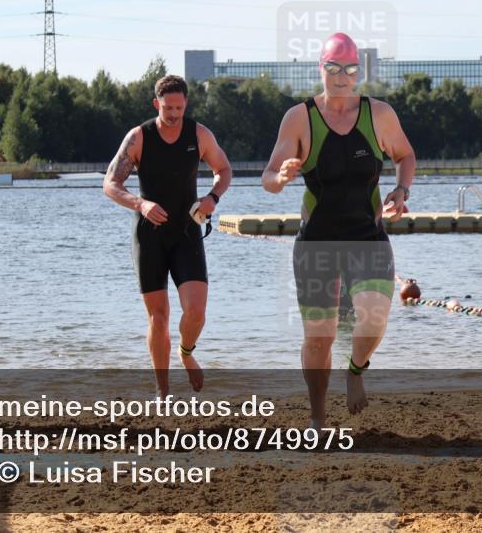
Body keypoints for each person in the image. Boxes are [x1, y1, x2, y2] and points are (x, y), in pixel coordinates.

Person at [262, 32, 416, 428]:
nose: (341, 76)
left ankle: (356, 371)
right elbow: (268, 177)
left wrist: (400, 189)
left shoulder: (378, 114)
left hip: (368, 235)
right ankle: (317, 418)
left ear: (358, 72)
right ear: (322, 69)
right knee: (319, 337)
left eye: (349, 69)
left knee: (376, 316)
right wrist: (280, 176)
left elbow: (404, 154)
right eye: (333, 68)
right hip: (317, 242)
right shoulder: (300, 117)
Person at [103, 74, 232, 397]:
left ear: (186, 103)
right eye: (167, 107)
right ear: (156, 104)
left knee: (196, 312)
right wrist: (141, 203)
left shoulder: (199, 134)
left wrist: (212, 198)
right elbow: (110, 184)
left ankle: (186, 353)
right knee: (158, 319)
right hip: (150, 237)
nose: (174, 114)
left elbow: (224, 170)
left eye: (179, 107)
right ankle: (163, 391)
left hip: (187, 233)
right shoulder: (139, 137)